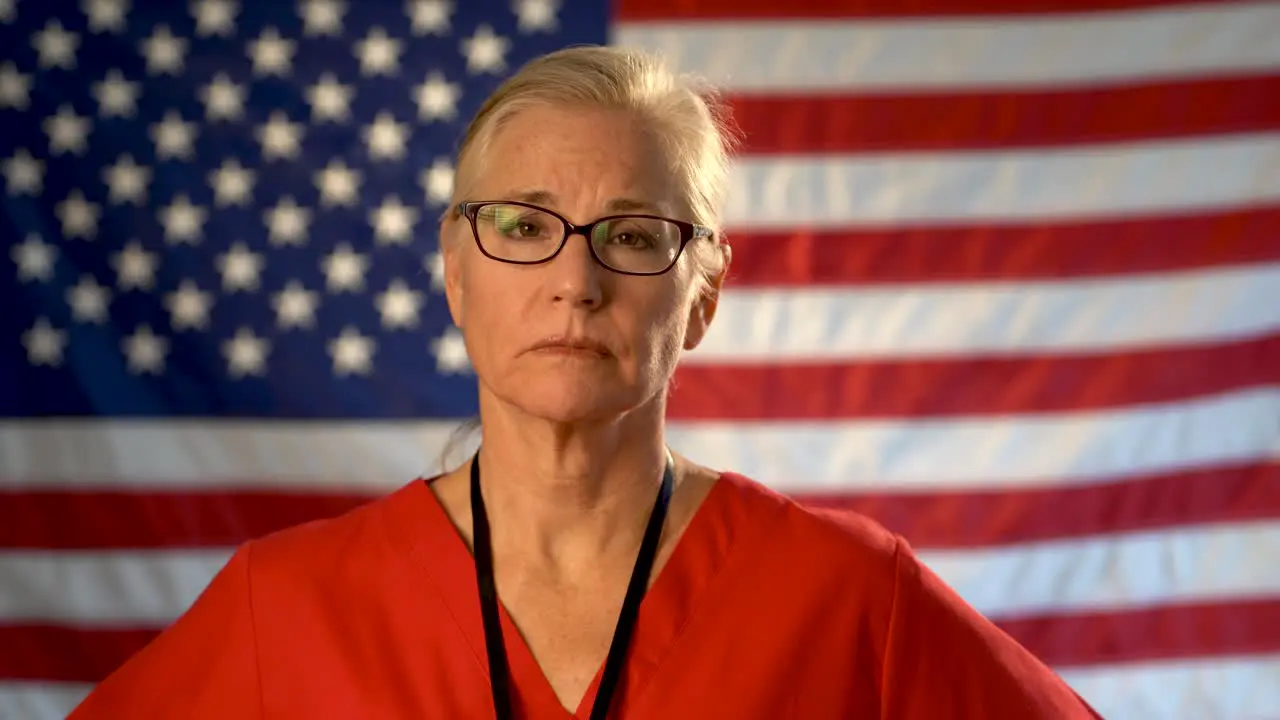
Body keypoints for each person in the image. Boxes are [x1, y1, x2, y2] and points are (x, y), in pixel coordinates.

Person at [69, 45, 1103, 719]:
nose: (576, 281)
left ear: (701, 295)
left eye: (632, 235)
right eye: (522, 226)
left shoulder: (847, 601)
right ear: (453, 270)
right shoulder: (284, 610)